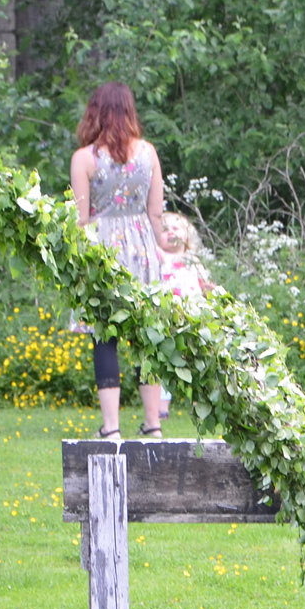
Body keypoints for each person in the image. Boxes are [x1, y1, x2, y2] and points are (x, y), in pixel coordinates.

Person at [70, 83, 173, 440]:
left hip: (102, 252)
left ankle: (111, 427)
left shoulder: (84, 158)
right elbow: (156, 213)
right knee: (148, 336)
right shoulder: (149, 153)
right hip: (141, 247)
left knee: (104, 336)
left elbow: (81, 220)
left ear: (95, 111)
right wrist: (161, 243)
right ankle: (153, 423)